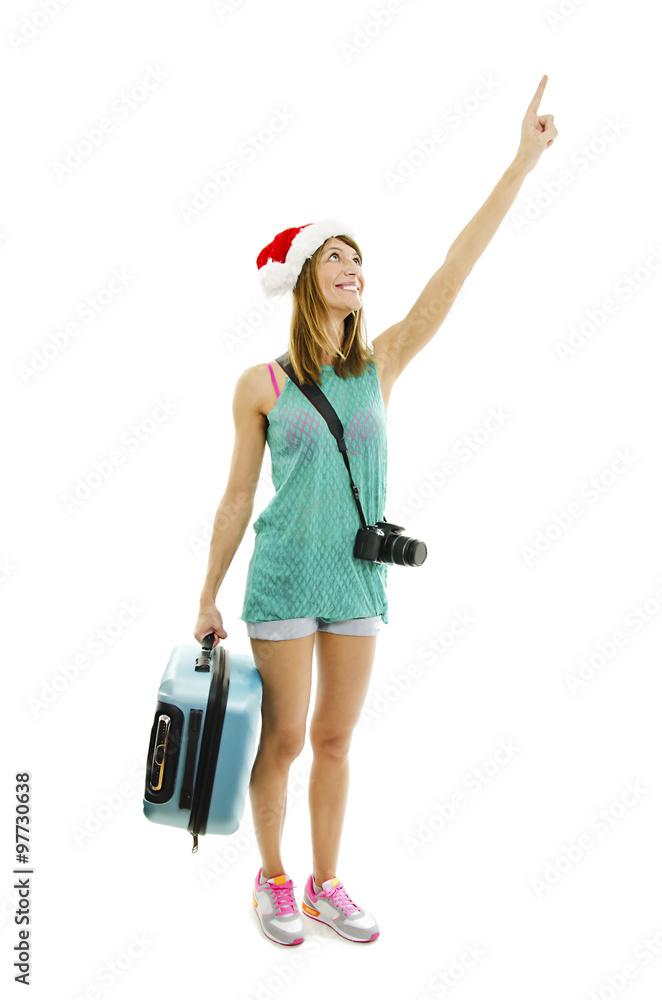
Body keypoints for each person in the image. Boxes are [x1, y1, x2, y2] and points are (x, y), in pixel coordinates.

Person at [194, 75, 557, 947]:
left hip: (357, 575)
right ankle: (273, 879)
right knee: (282, 742)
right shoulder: (261, 384)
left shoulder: (381, 363)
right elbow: (238, 495)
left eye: (357, 258)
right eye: (335, 257)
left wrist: (522, 160)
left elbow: (454, 270)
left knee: (334, 741)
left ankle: (326, 883)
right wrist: (206, 594)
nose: (353, 267)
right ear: (304, 279)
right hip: (284, 576)